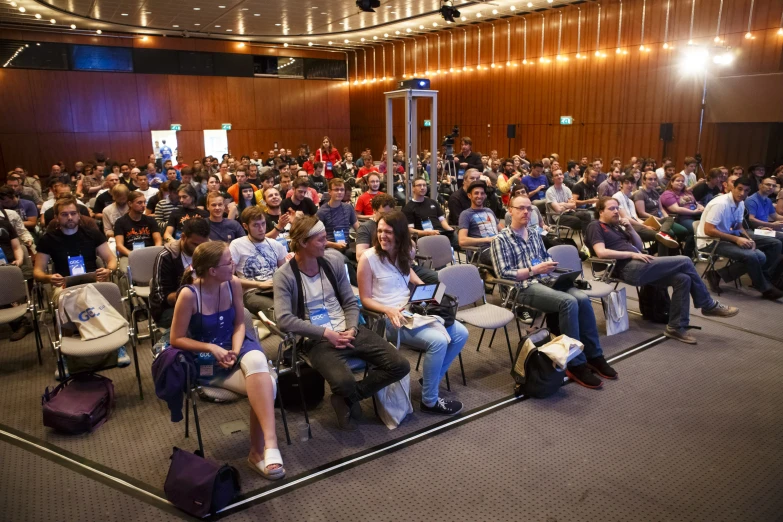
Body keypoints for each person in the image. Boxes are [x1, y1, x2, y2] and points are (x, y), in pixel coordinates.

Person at [273, 216, 410, 431]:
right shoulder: (285, 275)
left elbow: (349, 301)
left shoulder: (333, 260)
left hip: (348, 329)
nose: (325, 243)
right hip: (316, 339)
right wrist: (327, 334)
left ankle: (346, 399)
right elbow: (284, 319)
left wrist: (352, 328)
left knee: (400, 365)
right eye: (320, 240)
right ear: (302, 243)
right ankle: (347, 394)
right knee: (343, 382)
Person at [170, 241, 284, 479]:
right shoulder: (189, 295)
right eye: (228, 262)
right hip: (204, 355)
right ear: (212, 270)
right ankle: (256, 454)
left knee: (255, 361)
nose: (233, 264)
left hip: (236, 343)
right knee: (268, 385)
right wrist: (212, 349)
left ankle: (269, 444)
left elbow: (240, 323)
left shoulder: (232, 283)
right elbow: (176, 339)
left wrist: (233, 349)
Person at [491, 193, 616, 388]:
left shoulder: (534, 233)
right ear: (510, 211)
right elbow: (504, 274)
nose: (526, 212)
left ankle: (594, 355)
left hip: (546, 281)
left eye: (529, 208)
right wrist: (534, 270)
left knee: (582, 298)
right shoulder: (500, 239)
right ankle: (575, 363)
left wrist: (548, 263)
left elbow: (542, 256)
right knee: (568, 302)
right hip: (521, 288)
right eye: (521, 208)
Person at [358, 211, 468, 415]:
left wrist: (425, 289)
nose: (382, 236)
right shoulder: (368, 258)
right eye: (380, 231)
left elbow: (410, 274)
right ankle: (430, 400)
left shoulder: (403, 252)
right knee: (439, 341)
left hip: (411, 310)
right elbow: (365, 299)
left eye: (388, 232)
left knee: (461, 333)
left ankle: (430, 379)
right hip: (387, 319)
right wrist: (388, 309)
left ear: (399, 234)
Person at [587, 197, 739, 344]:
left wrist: (631, 229)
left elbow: (639, 247)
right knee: (685, 260)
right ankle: (707, 304)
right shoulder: (595, 226)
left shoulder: (617, 227)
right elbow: (601, 252)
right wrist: (632, 254)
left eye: (617, 208)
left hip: (639, 262)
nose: (616, 211)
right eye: (611, 208)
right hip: (625, 268)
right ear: (601, 212)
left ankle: (676, 327)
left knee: (683, 279)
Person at [698, 178, 783, 300]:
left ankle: (717, 275)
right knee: (752, 256)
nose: (742, 193)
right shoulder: (720, 204)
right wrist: (736, 239)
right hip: (710, 241)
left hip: (726, 237)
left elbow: (738, 226)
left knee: (761, 256)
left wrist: (749, 239)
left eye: (746, 191)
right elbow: (709, 230)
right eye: (739, 189)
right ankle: (765, 288)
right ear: (733, 188)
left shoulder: (741, 203)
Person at [151, 218, 211, 328]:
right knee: (199, 321)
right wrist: (193, 292)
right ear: (183, 237)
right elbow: (162, 297)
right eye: (195, 244)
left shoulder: (208, 252)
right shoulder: (166, 257)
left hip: (204, 302)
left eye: (203, 245)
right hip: (169, 309)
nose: (199, 249)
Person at [229, 206, 287, 318]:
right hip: (253, 291)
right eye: (256, 225)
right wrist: (259, 284)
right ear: (245, 226)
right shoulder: (237, 245)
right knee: (279, 312)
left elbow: (285, 272)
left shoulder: (276, 245)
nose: (261, 229)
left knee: (299, 304)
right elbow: (229, 278)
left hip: (277, 287)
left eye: (263, 224)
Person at [612, 174, 679, 249]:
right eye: (627, 183)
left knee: (669, 219)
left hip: (637, 224)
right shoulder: (617, 197)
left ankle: (663, 232)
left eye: (632, 183)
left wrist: (646, 224)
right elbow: (626, 218)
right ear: (621, 184)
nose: (630, 185)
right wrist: (645, 226)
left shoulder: (630, 201)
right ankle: (662, 238)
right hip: (627, 227)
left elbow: (636, 218)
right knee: (661, 238)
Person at [0, 204, 33, 341]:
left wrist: (19, 260)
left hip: (9, 264)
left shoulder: (5, 224)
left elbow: (16, 247)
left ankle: (21, 322)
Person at [458, 181, 504, 266]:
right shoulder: (466, 214)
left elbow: (502, 230)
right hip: (481, 251)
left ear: (485, 196)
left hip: (498, 246)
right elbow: (462, 241)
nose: (479, 196)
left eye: (482, 193)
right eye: (476, 193)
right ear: (469, 196)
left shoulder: (489, 211)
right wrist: (486, 239)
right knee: (505, 257)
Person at [404, 176, 458, 248]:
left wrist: (449, 229)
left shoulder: (432, 202)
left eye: (424, 185)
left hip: (440, 233)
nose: (422, 187)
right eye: (419, 185)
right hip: (425, 236)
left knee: (458, 238)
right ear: (413, 188)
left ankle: (473, 254)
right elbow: (410, 230)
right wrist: (427, 233)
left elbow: (442, 220)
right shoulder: (408, 207)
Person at [660, 173, 703, 257]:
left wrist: (701, 207)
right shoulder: (668, 194)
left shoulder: (686, 192)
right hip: (680, 217)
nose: (680, 183)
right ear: (671, 182)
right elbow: (676, 209)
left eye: (682, 181)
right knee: (694, 230)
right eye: (678, 181)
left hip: (695, 214)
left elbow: (696, 203)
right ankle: (687, 255)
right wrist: (694, 212)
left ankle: (703, 250)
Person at [114, 191, 162, 264]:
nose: (143, 205)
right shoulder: (120, 222)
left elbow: (158, 240)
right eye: (139, 203)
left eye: (144, 202)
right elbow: (119, 245)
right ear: (130, 204)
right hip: (130, 254)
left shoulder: (150, 220)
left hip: (149, 253)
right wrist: (133, 255)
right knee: (125, 270)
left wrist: (154, 253)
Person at [316, 179, 359, 253]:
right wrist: (334, 245)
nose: (340, 192)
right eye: (336, 190)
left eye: (342, 190)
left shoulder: (348, 208)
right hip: (329, 249)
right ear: (329, 192)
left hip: (346, 247)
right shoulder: (322, 212)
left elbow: (358, 228)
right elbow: (317, 238)